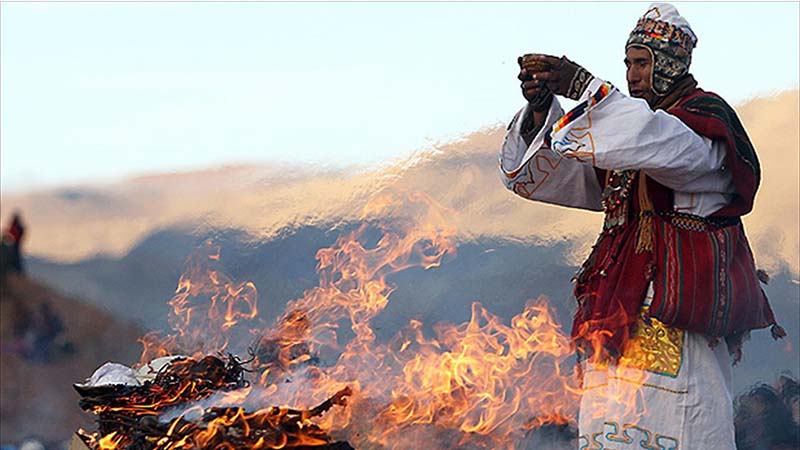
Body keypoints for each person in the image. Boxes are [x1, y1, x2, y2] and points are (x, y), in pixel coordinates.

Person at [498, 3, 784, 449]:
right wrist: (541, 114)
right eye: (628, 63)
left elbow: (661, 146)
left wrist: (581, 87)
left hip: (676, 305)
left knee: (680, 420)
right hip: (618, 307)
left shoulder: (703, 123)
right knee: (608, 418)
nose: (631, 75)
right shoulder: (632, 138)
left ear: (670, 64)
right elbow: (562, 175)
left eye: (642, 63)